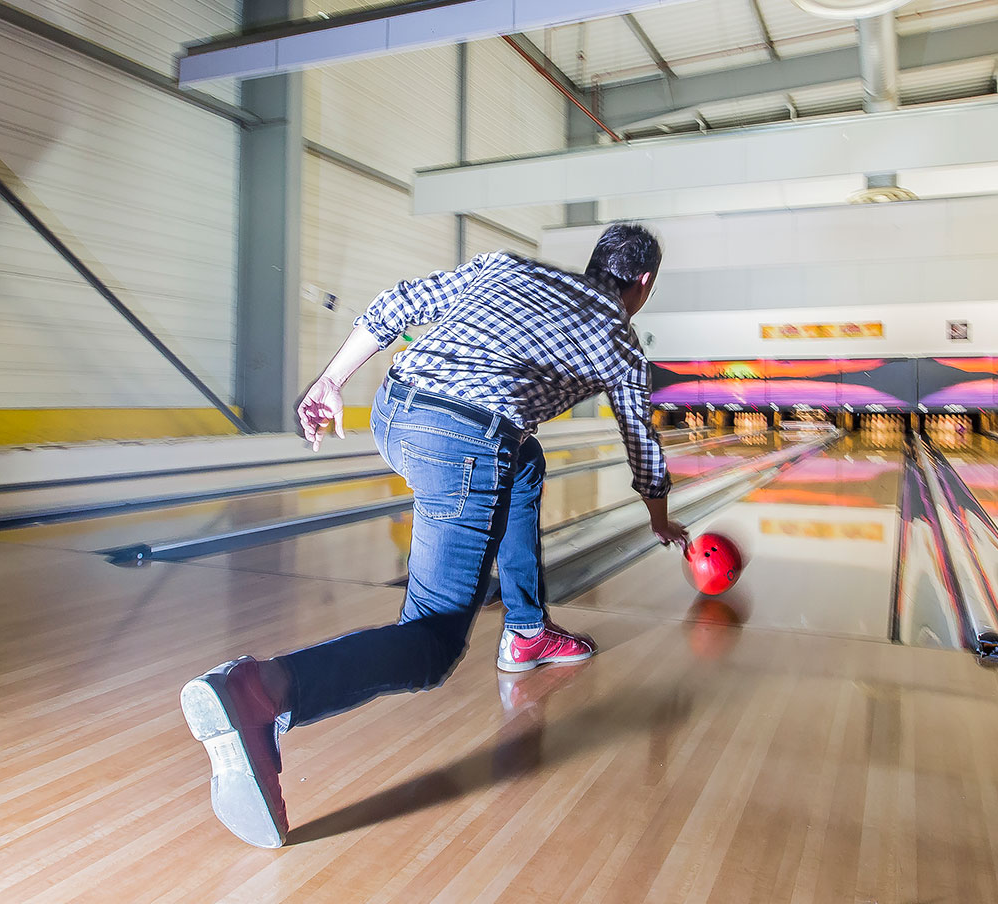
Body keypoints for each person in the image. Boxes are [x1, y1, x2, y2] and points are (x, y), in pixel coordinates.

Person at [179, 223, 688, 848]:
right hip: (459, 444)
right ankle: (261, 692)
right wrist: (661, 520)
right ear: (644, 283)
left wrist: (331, 381)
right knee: (432, 645)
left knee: (524, 461)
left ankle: (527, 633)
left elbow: (396, 303)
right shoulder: (619, 339)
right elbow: (641, 441)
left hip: (395, 407)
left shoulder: (509, 266)